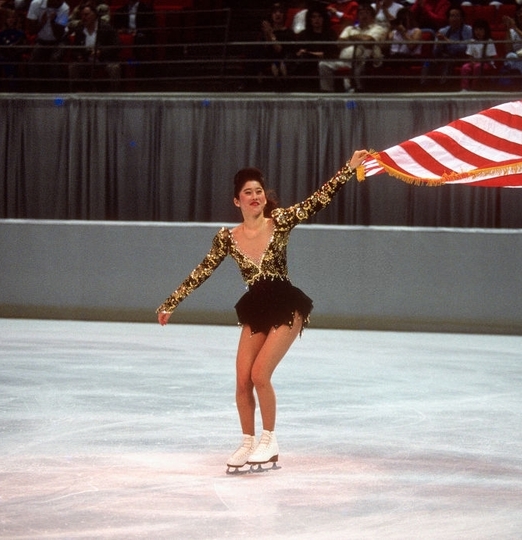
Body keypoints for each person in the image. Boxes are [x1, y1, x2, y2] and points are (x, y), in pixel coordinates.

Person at [156, 149, 370, 473]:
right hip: (256, 309)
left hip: (286, 304)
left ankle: (270, 440)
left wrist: (349, 169)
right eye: (248, 193)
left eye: (258, 191)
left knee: (260, 374)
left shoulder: (279, 221)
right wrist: (172, 302)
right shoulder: (227, 238)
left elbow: (316, 201)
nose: (255, 196)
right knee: (242, 380)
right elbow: (202, 270)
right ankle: (247, 442)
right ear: (236, 201)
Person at [318, 4, 388, 93]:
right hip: (345, 61)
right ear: (358, 16)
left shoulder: (378, 29)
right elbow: (340, 43)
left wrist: (351, 38)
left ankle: (358, 89)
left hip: (366, 62)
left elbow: (368, 41)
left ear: (372, 16)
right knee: (323, 64)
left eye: (367, 13)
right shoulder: (349, 28)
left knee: (361, 51)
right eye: (361, 13)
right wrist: (358, 38)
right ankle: (327, 92)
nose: (364, 16)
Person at [67, 3, 121, 91]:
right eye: (82, 15)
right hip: (86, 60)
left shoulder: (106, 28)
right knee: (73, 66)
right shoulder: (80, 29)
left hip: (104, 59)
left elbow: (117, 46)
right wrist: (78, 56)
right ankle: (75, 93)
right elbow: (75, 49)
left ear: (95, 15)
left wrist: (100, 52)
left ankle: (114, 93)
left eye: (86, 15)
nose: (84, 18)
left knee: (114, 68)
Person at [27, 0, 71, 91]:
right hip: (42, 40)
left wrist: (53, 21)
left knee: (54, 60)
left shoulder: (65, 8)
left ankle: (55, 91)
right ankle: (36, 91)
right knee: (33, 61)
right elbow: (31, 30)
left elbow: (58, 35)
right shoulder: (35, 4)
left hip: (59, 41)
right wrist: (42, 23)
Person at [293, 5, 338, 91]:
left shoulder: (330, 33)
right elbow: (298, 51)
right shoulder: (304, 34)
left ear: (324, 18)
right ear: (310, 19)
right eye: (314, 17)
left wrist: (310, 54)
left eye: (319, 17)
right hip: (305, 62)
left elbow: (330, 53)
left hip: (324, 62)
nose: (316, 19)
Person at [427, 5, 472, 86]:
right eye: (452, 16)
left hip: (461, 57)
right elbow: (435, 52)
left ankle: (443, 86)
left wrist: (447, 41)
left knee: (449, 61)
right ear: (448, 18)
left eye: (457, 16)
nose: (454, 19)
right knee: (427, 62)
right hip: (444, 56)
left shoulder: (468, 30)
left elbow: (465, 48)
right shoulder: (443, 31)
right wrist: (439, 46)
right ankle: (424, 86)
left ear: (462, 18)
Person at [0, 9, 28, 92]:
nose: (11, 20)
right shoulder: (1, 33)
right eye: (9, 18)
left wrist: (14, 50)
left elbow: (25, 47)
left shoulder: (20, 33)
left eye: (13, 18)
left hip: (15, 58)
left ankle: (13, 91)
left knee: (10, 69)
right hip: (2, 57)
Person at [460, 17, 496, 91]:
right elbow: (470, 55)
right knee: (465, 67)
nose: (478, 32)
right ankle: (465, 88)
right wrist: (472, 62)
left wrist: (479, 62)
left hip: (486, 63)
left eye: (480, 30)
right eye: (476, 30)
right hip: (474, 62)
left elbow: (490, 57)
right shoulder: (472, 41)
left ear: (485, 31)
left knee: (477, 67)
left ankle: (474, 87)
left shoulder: (489, 41)